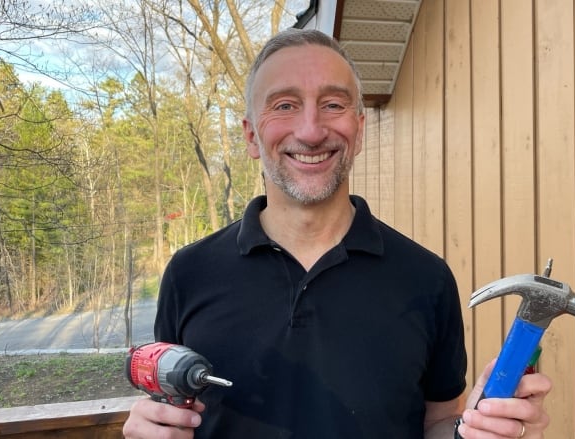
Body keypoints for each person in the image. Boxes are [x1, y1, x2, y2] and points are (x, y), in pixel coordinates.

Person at [123, 28, 552, 439]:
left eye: (332, 104)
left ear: (360, 130)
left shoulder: (427, 279)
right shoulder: (189, 273)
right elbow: (169, 405)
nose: (311, 131)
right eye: (285, 105)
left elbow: (440, 419)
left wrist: (473, 430)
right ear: (252, 135)